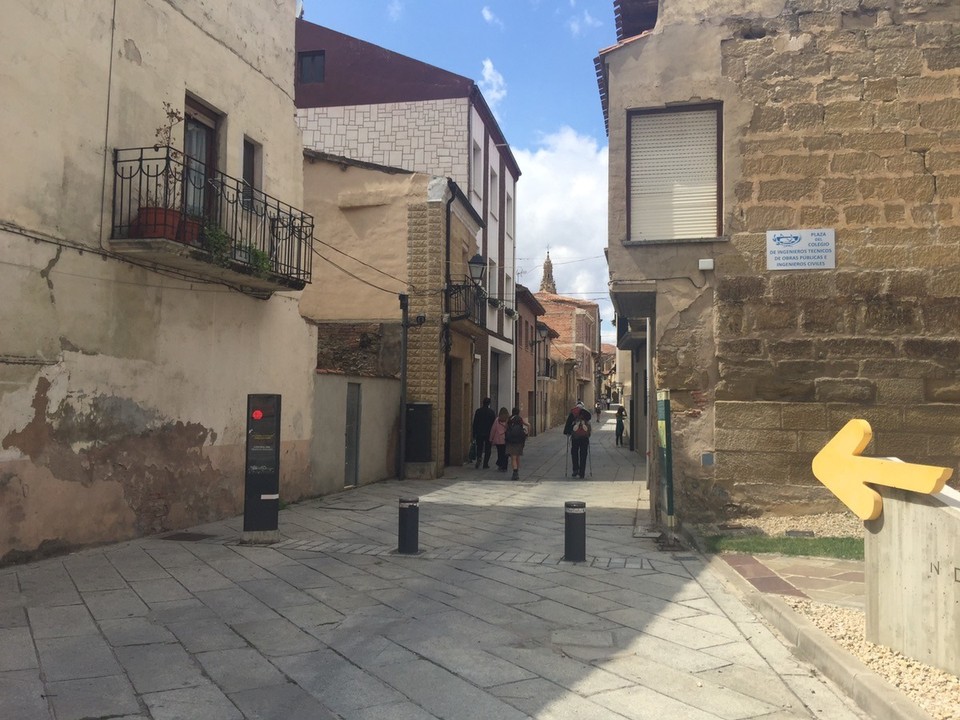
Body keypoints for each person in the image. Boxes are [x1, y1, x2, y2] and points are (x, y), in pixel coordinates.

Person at [563, 401, 592, 478]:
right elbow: (589, 427)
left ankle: (575, 470)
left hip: (575, 438)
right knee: (583, 455)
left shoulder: (572, 415)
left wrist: (568, 433)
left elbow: (568, 426)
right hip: (584, 438)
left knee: (574, 453)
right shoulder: (586, 415)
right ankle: (581, 472)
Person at [504, 407, 529, 480]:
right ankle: (517, 471)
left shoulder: (509, 419)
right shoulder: (520, 419)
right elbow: (528, 425)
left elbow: (505, 427)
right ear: (518, 412)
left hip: (511, 440)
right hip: (520, 441)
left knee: (513, 457)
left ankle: (515, 472)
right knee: (517, 456)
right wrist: (527, 434)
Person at [471, 398, 496, 469]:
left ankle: (479, 457)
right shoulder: (491, 412)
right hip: (488, 433)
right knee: (488, 448)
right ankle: (485, 464)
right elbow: (493, 424)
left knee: (479, 447)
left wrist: (474, 433)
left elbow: (475, 423)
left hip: (479, 432)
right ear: (489, 404)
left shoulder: (478, 411)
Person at [489, 407, 510, 472]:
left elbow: (493, 429)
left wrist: (491, 438)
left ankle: (500, 465)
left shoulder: (497, 420)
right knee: (505, 453)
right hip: (506, 439)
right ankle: (505, 467)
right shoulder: (508, 420)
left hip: (498, 439)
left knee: (500, 453)